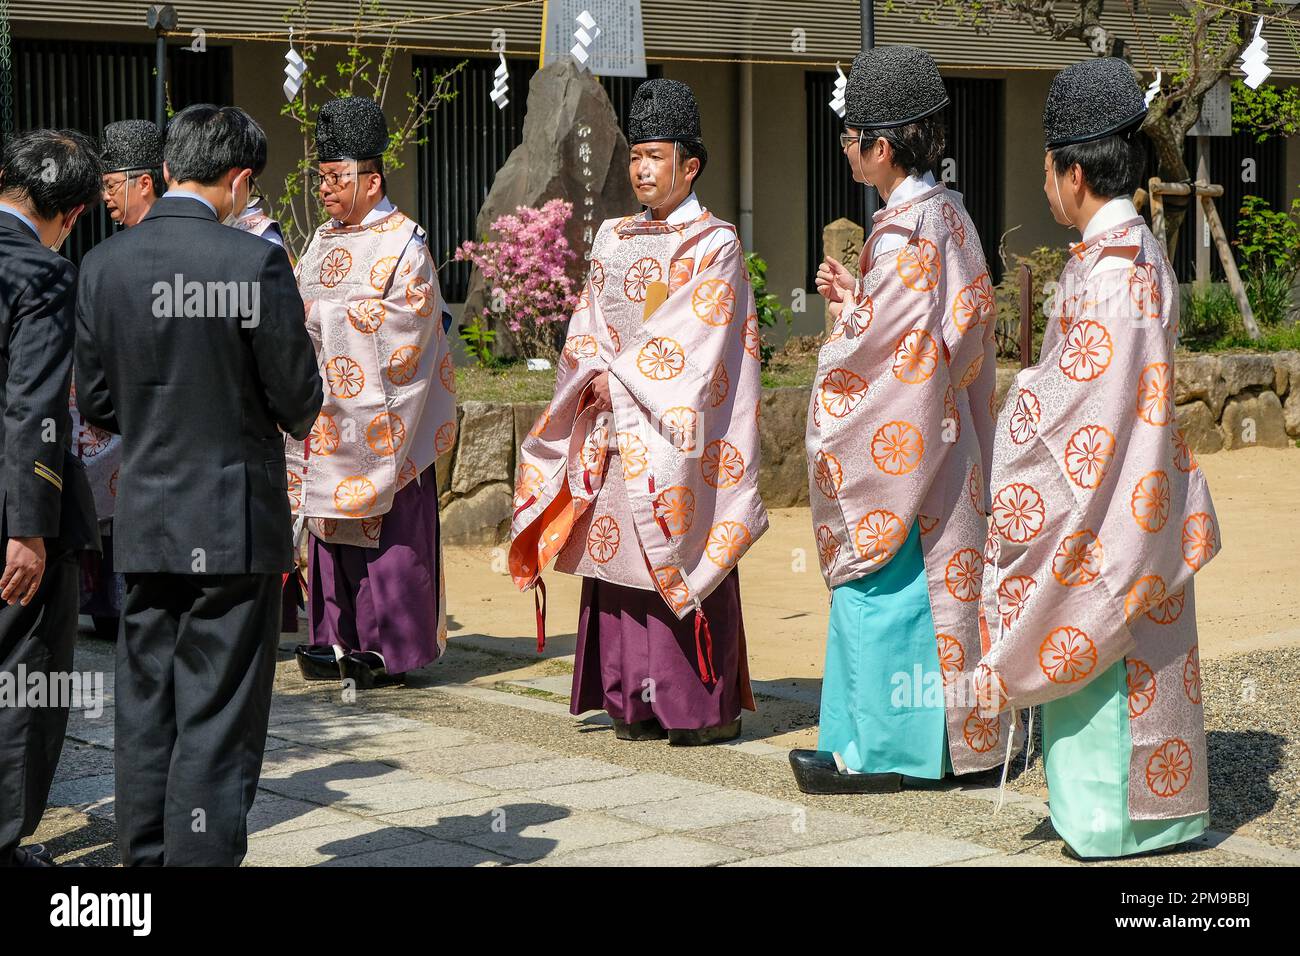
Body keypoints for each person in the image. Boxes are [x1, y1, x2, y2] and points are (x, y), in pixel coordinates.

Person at [976, 58, 1220, 860]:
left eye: (1048, 170)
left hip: (1110, 505)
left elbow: (1076, 409)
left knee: (1100, 641)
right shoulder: (1136, 254)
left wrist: (1017, 417)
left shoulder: (1111, 274)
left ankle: (1112, 819)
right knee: (1145, 648)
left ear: (1074, 172)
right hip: (1142, 493)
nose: (1046, 186)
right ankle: (1158, 815)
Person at [75, 104, 322, 866]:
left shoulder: (103, 264)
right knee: (217, 710)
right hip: (231, 523)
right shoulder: (251, 262)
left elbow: (98, 404)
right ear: (240, 179)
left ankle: (140, 862)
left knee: (146, 704)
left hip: (144, 518)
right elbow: (299, 401)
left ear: (169, 165)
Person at [510, 78, 768, 746]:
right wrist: (590, 379)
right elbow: (587, 324)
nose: (644, 169)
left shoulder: (715, 245)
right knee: (617, 561)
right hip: (616, 422)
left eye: (658, 157)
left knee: (678, 545)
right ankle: (631, 701)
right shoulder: (614, 238)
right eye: (636, 157)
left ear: (691, 166)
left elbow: (696, 340)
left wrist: (614, 380)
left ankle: (696, 708)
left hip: (677, 428)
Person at [789, 46, 1013, 794]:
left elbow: (887, 363)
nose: (846, 147)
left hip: (905, 451)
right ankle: (937, 744)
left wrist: (848, 327)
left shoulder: (910, 229)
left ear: (882, 147)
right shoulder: (949, 216)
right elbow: (945, 337)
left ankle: (882, 749)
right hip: (950, 445)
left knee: (881, 584)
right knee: (941, 598)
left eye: (852, 136)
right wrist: (864, 304)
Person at [285, 96, 457, 689]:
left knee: (390, 525)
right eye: (322, 177)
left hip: (388, 419)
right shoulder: (321, 242)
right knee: (330, 525)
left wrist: (329, 320)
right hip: (325, 409)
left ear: (371, 178)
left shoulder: (406, 242)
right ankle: (334, 636)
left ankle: (392, 647)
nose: (326, 190)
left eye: (336, 178)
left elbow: (413, 326)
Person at [0, 129, 101, 867]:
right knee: (23, 677)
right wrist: (30, 529)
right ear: (69, 216)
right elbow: (33, 404)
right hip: (12, 514)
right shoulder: (41, 272)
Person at [71, 120, 167, 642]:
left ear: (144, 182)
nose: (105, 199)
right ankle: (111, 608)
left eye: (111, 187)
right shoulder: (105, 258)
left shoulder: (104, 261)